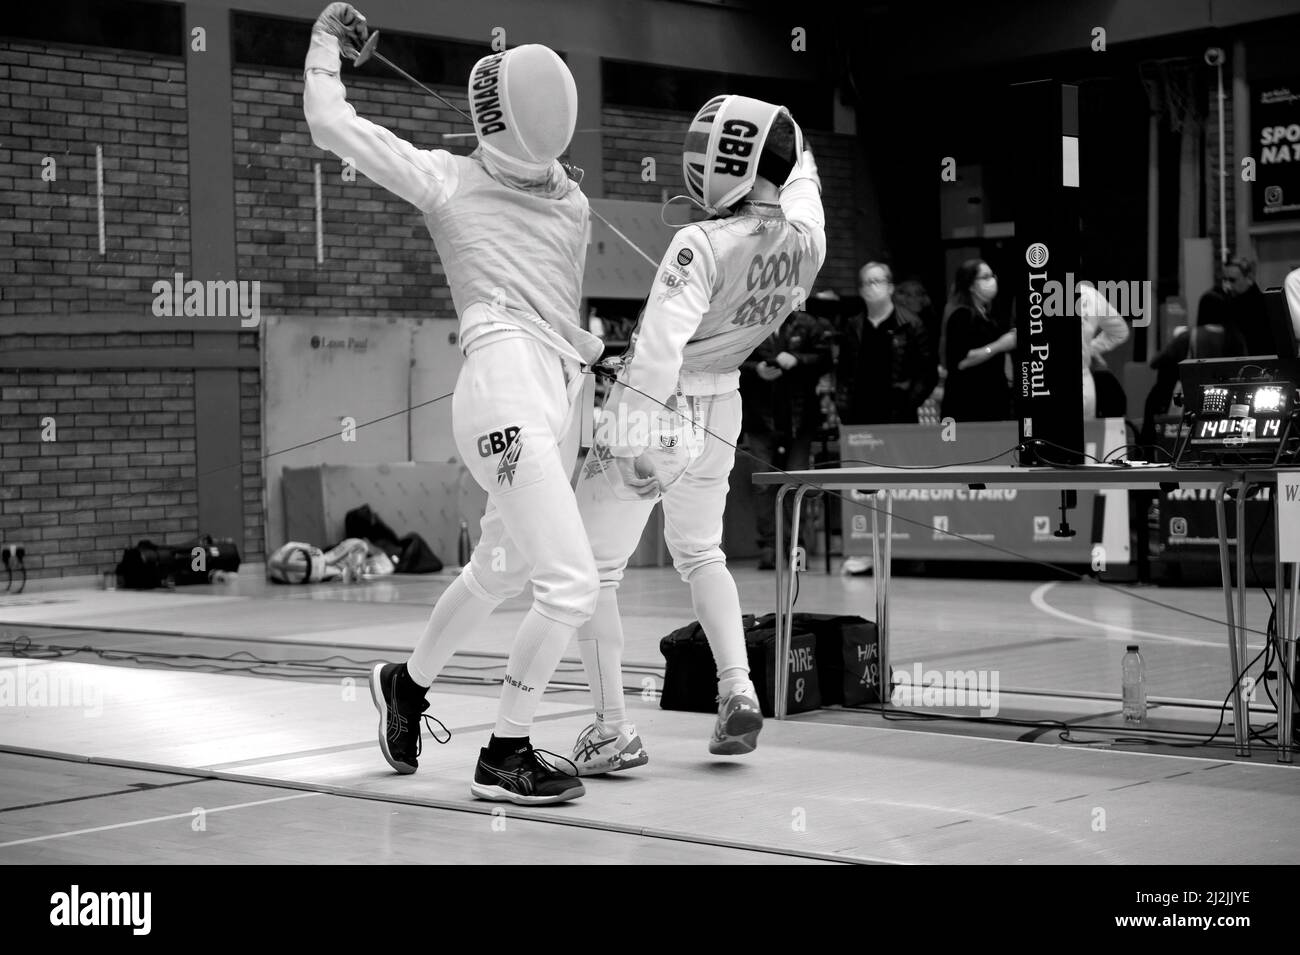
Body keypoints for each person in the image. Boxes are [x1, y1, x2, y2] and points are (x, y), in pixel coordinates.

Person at [304, 4, 600, 805]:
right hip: (503, 394)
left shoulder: (523, 193)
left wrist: (329, 43)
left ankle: (407, 685)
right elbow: (331, 125)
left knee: (501, 566)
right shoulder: (545, 195)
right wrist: (326, 47)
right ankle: (505, 750)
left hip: (549, 399)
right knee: (570, 584)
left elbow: (332, 119)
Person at [565, 95, 826, 773]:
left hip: (661, 408)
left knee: (591, 571)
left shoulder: (699, 243)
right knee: (701, 551)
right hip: (724, 405)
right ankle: (737, 687)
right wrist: (785, 130)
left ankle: (611, 730)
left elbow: (656, 354)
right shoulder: (809, 240)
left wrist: (630, 439)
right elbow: (804, 176)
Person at [739, 305, 834, 570]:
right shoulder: (747, 320)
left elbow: (826, 359)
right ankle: (770, 546)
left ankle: (796, 546)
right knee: (762, 484)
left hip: (799, 418)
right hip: (760, 417)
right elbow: (730, 361)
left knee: (796, 482)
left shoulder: (807, 324)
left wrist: (797, 359)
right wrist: (756, 368)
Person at [835, 262, 937, 426]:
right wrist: (843, 408)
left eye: (877, 281)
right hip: (859, 415)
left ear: (890, 287)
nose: (872, 287)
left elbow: (927, 374)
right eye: (866, 283)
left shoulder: (912, 325)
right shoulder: (853, 327)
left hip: (898, 416)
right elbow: (843, 374)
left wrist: (907, 404)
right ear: (860, 290)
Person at [939, 259, 1014, 422]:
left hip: (992, 401)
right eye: (985, 277)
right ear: (971, 286)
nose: (992, 281)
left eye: (992, 276)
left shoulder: (987, 316)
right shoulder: (961, 315)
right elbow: (960, 361)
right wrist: (999, 345)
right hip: (968, 405)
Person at [1077, 282, 1129, 418]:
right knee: (1085, 437)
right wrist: (1089, 348)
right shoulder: (1090, 294)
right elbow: (1120, 332)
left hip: (1040, 382)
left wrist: (1089, 348)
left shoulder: (1037, 294)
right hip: (1084, 386)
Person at [1222, 255, 1270, 355]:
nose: (1227, 286)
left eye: (1232, 280)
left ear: (1249, 278)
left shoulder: (1264, 306)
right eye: (1225, 280)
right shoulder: (1229, 304)